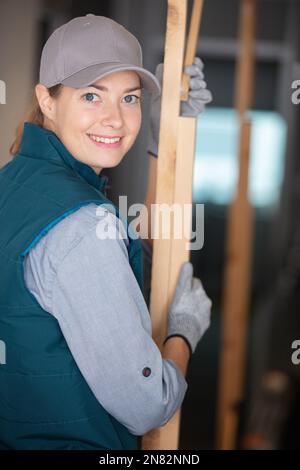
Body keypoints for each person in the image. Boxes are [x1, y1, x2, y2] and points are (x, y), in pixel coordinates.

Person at [0, 14, 212, 450]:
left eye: (130, 98)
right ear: (48, 100)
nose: (116, 119)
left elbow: (113, 276)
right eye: (92, 96)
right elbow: (147, 403)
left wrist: (163, 145)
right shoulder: (81, 226)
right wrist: (183, 333)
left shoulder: (15, 181)